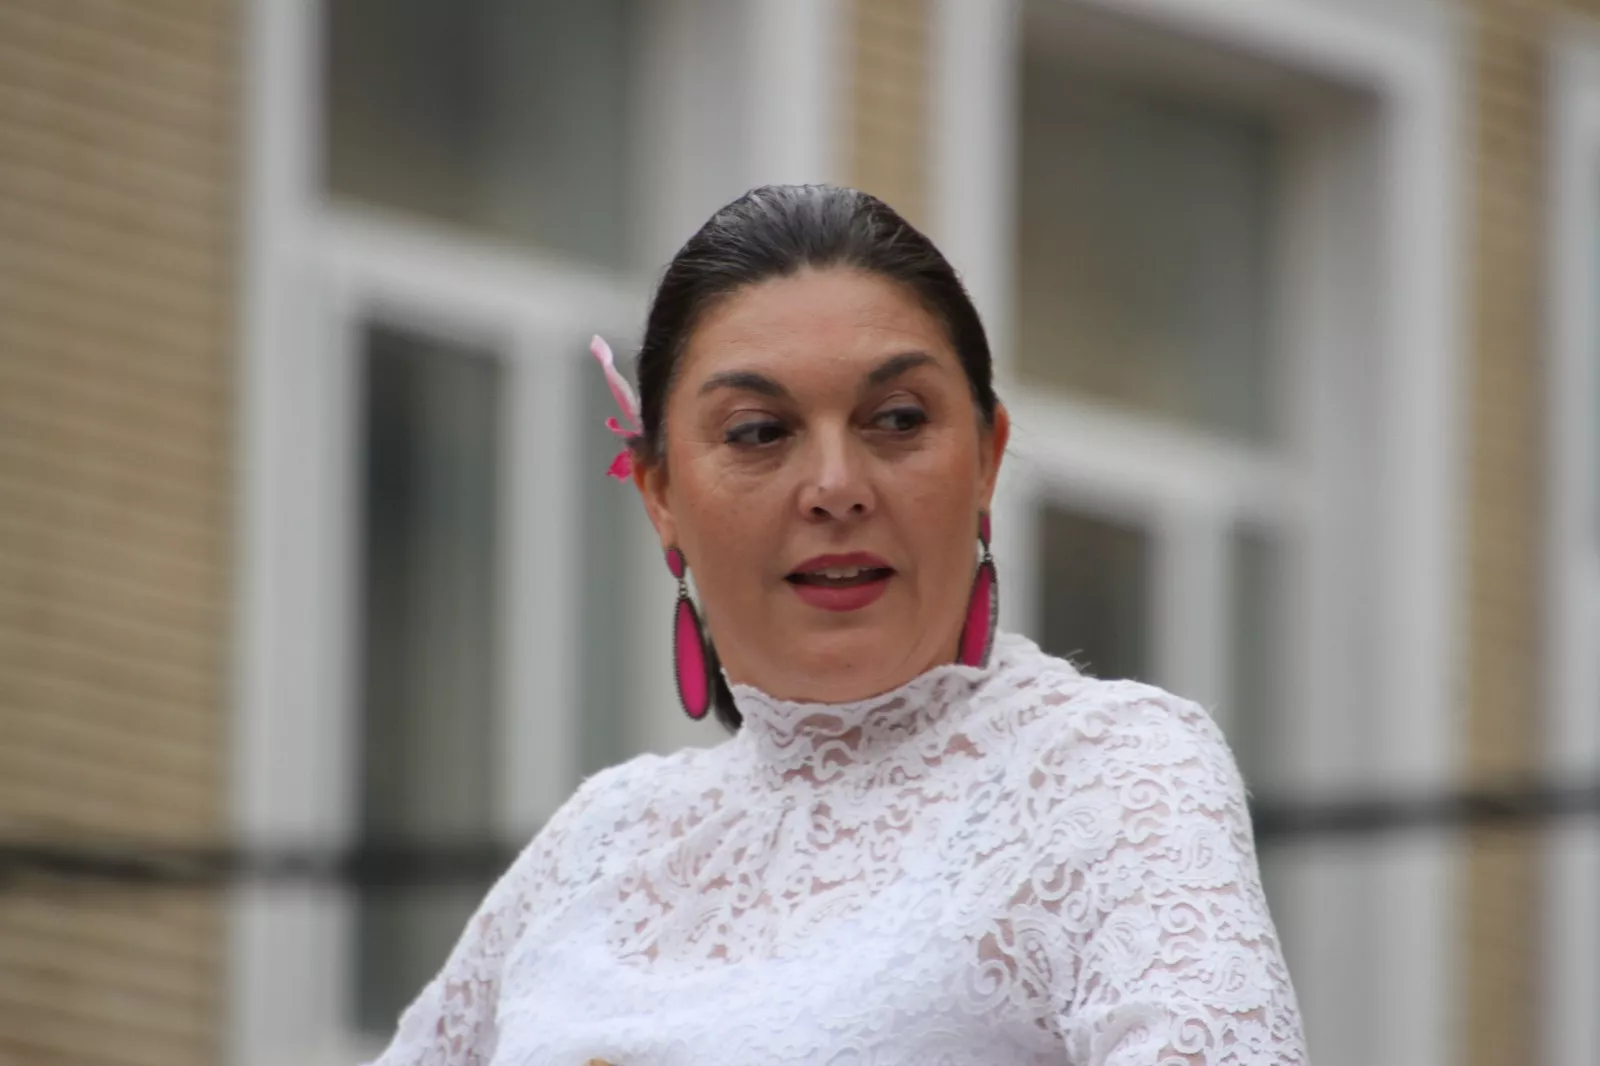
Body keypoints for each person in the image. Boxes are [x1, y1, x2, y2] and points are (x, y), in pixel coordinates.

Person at [366, 185, 1305, 1065]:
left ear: (987, 456)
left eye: (896, 419)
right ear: (660, 494)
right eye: (758, 432)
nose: (836, 489)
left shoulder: (1106, 772)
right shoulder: (601, 843)